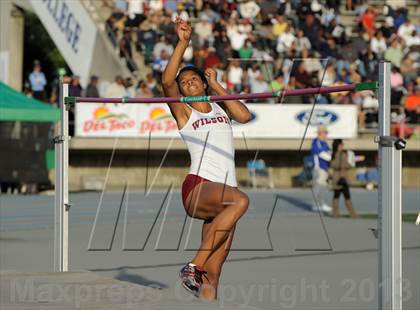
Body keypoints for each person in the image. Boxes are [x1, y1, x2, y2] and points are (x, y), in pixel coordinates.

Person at [162, 17, 252, 300]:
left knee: (212, 276)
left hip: (221, 201)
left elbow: (244, 116)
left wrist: (219, 86)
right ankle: (192, 265)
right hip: (199, 187)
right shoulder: (185, 114)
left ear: (203, 83)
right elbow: (167, 81)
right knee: (241, 200)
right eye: (184, 82)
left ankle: (199, 272)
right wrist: (183, 42)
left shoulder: (219, 109)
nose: (188, 83)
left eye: (193, 79)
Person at [330, 139, 359, 218]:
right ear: (337, 146)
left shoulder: (345, 154)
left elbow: (347, 165)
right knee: (336, 195)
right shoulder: (333, 154)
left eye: (342, 145)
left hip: (344, 177)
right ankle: (335, 213)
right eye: (341, 145)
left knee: (347, 195)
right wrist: (340, 161)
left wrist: (351, 162)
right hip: (336, 177)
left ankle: (352, 213)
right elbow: (333, 165)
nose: (342, 146)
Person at [310, 126, 332, 213]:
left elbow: (329, 151)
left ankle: (321, 204)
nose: (326, 134)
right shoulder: (316, 142)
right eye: (325, 133)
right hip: (318, 169)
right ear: (320, 133)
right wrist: (331, 158)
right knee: (318, 187)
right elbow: (321, 154)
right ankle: (315, 205)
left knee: (323, 187)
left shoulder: (324, 143)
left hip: (324, 168)